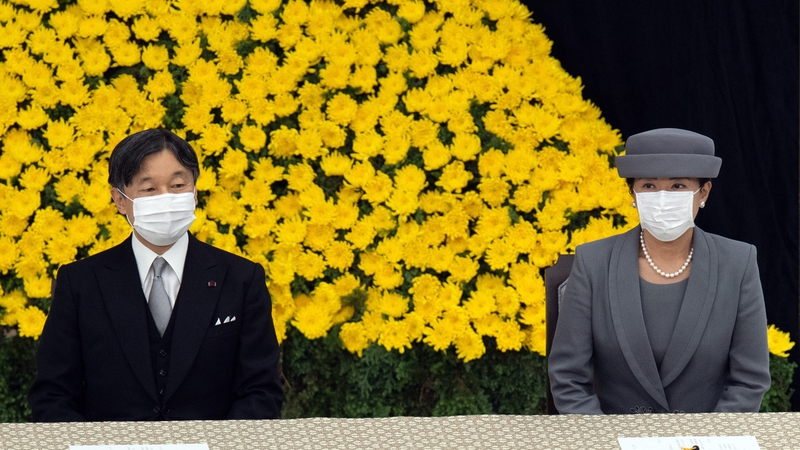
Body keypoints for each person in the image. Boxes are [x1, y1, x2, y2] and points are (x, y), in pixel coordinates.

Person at [29, 128, 284, 421]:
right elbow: (53, 394)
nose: (166, 198)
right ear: (120, 199)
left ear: (195, 191)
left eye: (177, 185)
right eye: (149, 189)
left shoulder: (241, 279)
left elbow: (260, 392)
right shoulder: (80, 283)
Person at [548, 128, 770, 414]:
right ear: (632, 192)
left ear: (703, 192)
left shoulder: (738, 264)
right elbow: (568, 380)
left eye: (678, 186)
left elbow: (749, 382)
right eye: (649, 186)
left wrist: (703, 444)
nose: (662, 198)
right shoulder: (593, 263)